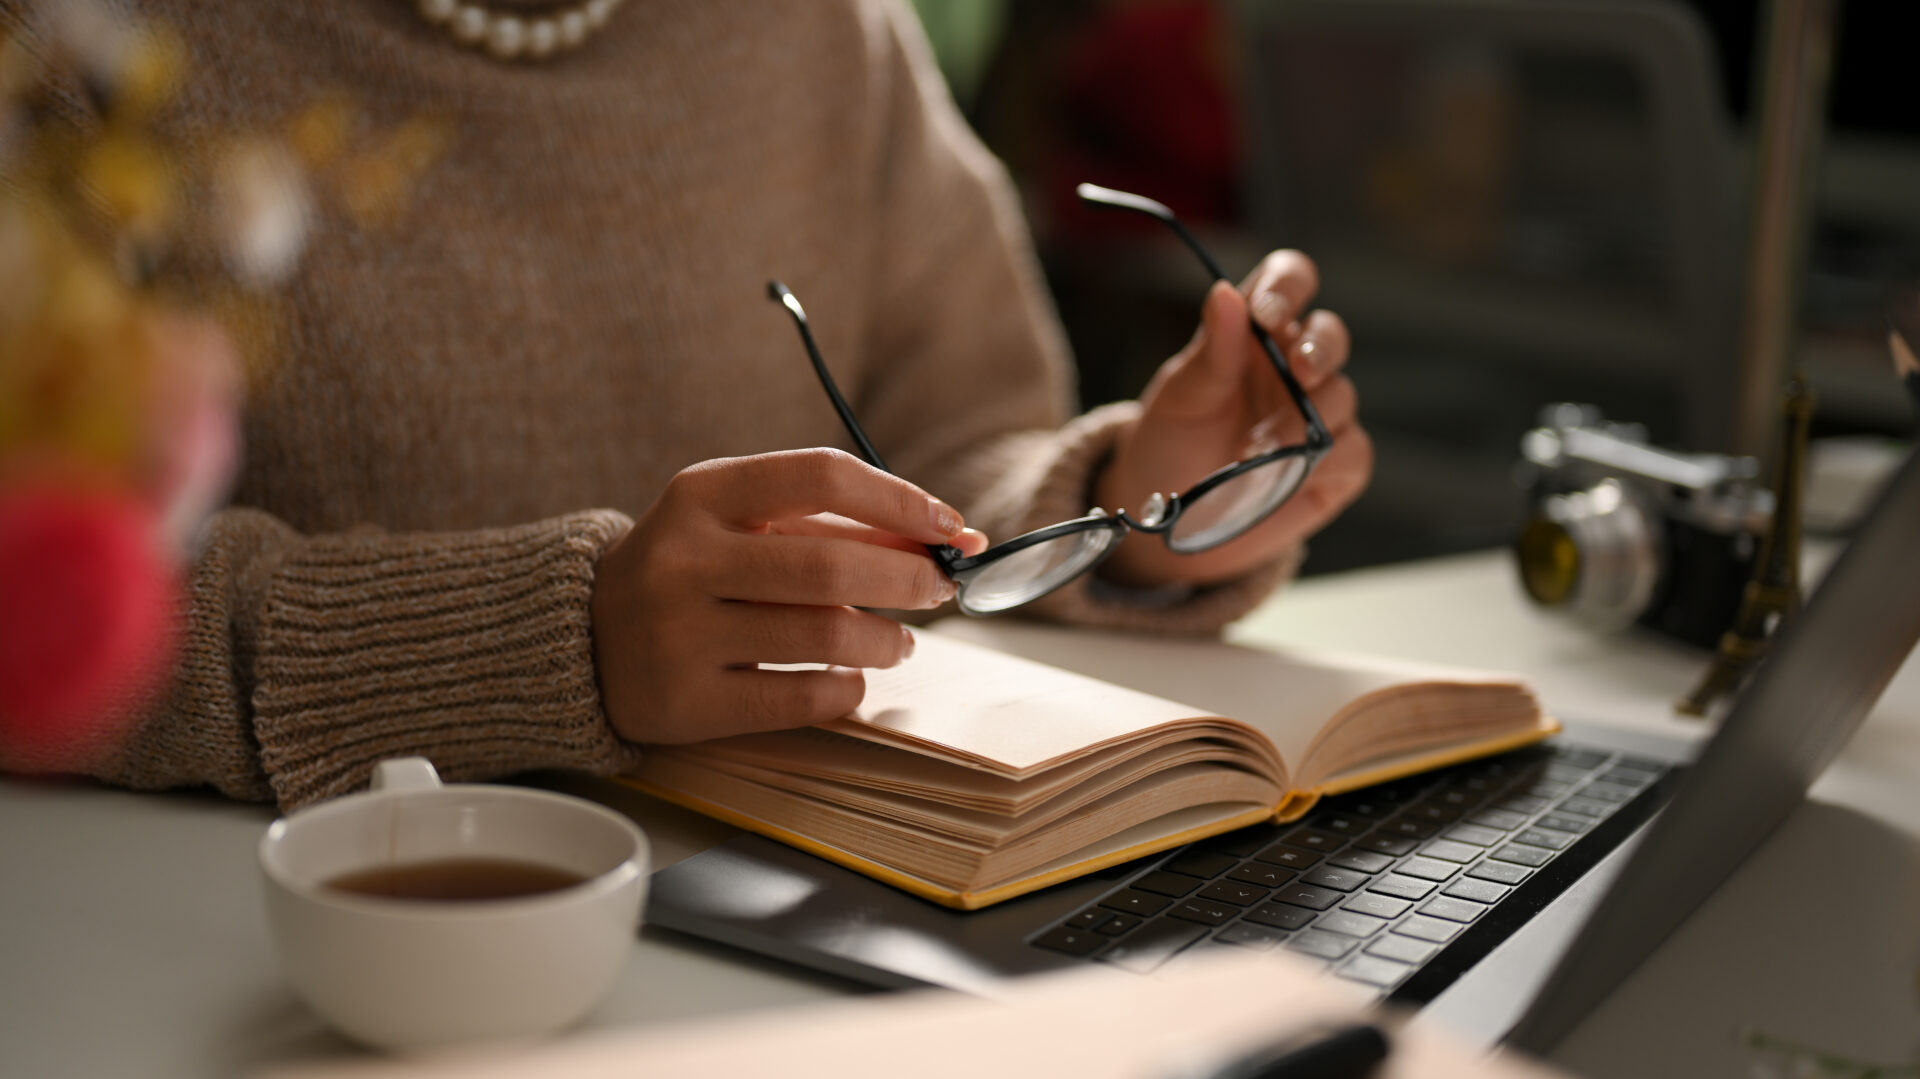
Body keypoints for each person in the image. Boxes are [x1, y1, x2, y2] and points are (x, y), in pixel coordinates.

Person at [0, 0, 1369, 808]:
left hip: (794, 946)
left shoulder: (829, 31)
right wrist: (542, 646)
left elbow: (965, 437)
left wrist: (1130, 500)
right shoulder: (78, 47)